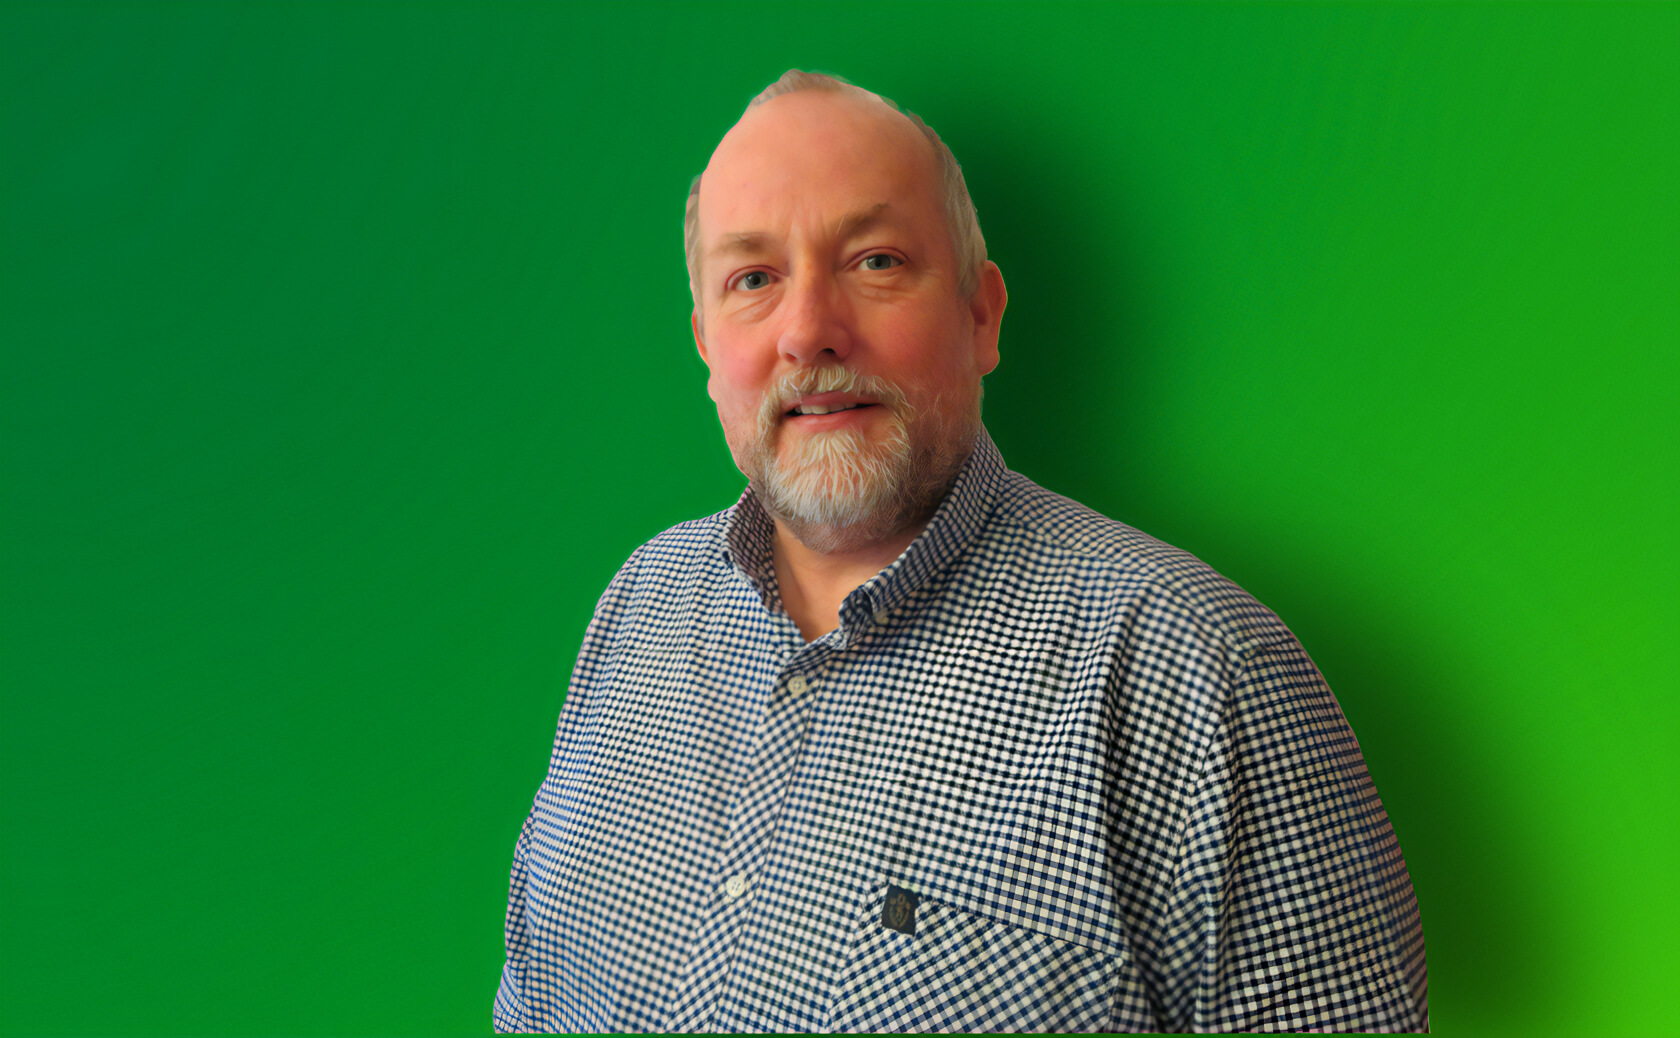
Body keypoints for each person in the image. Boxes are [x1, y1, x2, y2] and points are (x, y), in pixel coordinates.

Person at [493, 69, 1427, 1033]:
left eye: (876, 261)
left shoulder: (1201, 672)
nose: (808, 332)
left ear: (981, 315)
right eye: (754, 280)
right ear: (705, 346)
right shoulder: (639, 603)